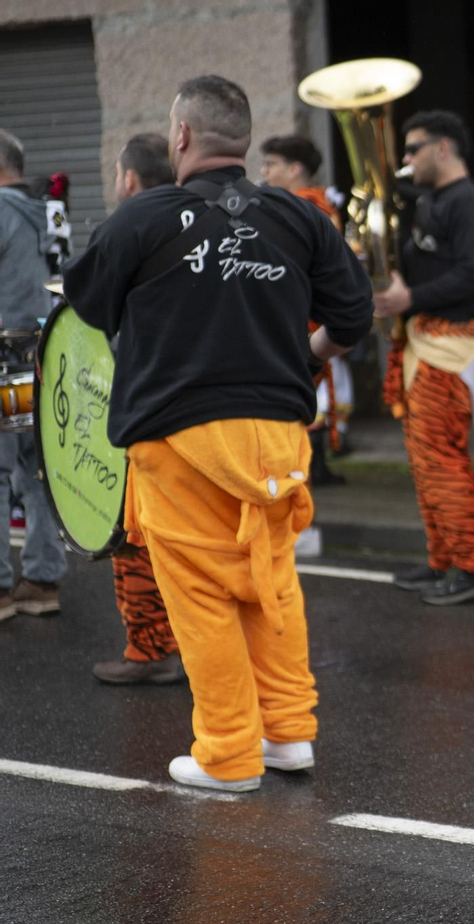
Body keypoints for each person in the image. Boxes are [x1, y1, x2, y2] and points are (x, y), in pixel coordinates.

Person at [63, 75, 373, 791]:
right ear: (243, 137)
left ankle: (229, 753)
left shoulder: (143, 217)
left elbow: (86, 301)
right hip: (278, 435)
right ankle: (288, 733)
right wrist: (306, 354)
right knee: (269, 583)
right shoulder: (299, 217)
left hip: (182, 437)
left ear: (180, 137)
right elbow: (353, 317)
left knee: (202, 595)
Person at [373, 109, 474, 606]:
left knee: (441, 459)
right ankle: (444, 559)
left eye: (413, 149)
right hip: (426, 343)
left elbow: (473, 275)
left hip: (448, 345)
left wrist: (409, 299)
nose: (405, 159)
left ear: (444, 148)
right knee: (425, 460)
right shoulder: (430, 202)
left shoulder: (468, 204)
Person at [92, 132, 185, 686]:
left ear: (129, 178)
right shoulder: (202, 222)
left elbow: (90, 307)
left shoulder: (126, 227)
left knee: (134, 535)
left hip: (145, 406)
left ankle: (151, 649)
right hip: (198, 408)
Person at [0, 127, 67, 622]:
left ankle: (1, 589)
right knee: (34, 469)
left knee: (2, 472)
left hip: (3, 360)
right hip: (42, 357)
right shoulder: (53, 208)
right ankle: (41, 580)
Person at [260, 133, 351, 482]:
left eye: (272, 164)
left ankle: (309, 468)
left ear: (295, 169)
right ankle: (314, 467)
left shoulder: (303, 207)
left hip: (303, 312)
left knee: (304, 387)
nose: (265, 171)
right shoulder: (315, 205)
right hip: (309, 311)